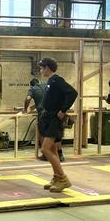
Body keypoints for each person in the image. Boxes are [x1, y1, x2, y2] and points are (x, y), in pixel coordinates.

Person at [38, 58, 77, 193]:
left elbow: (72, 93)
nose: (40, 70)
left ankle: (63, 178)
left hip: (54, 119)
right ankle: (56, 177)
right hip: (48, 117)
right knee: (53, 150)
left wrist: (63, 110)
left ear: (48, 68)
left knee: (45, 149)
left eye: (42, 68)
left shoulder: (57, 80)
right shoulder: (50, 81)